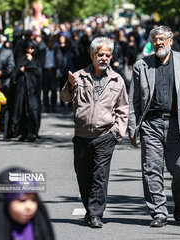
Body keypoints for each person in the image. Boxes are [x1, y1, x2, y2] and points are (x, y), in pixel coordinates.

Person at [128, 26, 180, 227]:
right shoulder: (141, 66)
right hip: (151, 124)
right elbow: (133, 101)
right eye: (155, 40)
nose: (158, 43)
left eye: (162, 39)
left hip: (179, 125)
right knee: (151, 169)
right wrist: (132, 128)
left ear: (170, 40)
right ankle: (158, 212)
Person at [60, 36, 128, 228]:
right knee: (83, 176)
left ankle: (96, 214)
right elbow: (64, 97)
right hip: (81, 136)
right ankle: (90, 211)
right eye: (100, 54)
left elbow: (123, 108)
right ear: (92, 55)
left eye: (107, 55)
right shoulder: (79, 76)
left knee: (100, 176)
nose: (104, 58)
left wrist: (117, 133)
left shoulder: (117, 80)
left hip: (105, 135)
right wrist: (70, 85)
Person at [0, 167, 55, 240]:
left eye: (33, 200)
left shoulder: (42, 232)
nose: (29, 206)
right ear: (5, 202)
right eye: (22, 200)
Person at [6, 41, 42, 141]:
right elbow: (15, 72)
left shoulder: (37, 60)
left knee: (32, 111)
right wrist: (20, 70)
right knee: (21, 110)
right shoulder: (22, 58)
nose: (29, 51)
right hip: (21, 90)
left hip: (32, 91)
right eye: (28, 48)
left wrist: (29, 65)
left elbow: (38, 73)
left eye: (32, 48)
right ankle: (23, 133)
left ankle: (32, 132)